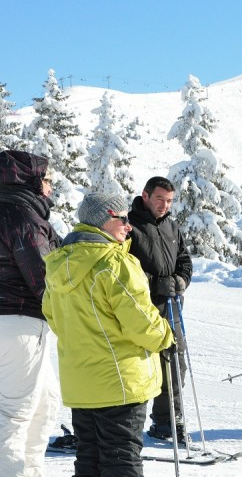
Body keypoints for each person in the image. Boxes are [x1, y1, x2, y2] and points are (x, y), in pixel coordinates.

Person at [42, 192, 174, 477]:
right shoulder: (113, 264)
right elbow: (142, 323)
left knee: (90, 457)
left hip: (82, 385)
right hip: (120, 384)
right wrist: (166, 336)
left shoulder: (58, 265)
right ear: (102, 221)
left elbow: (54, 317)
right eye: (122, 218)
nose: (129, 226)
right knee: (121, 460)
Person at [0, 150, 61, 477]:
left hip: (15, 325)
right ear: (33, 181)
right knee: (14, 415)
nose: (51, 188)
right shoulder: (22, 217)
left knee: (44, 404)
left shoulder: (16, 212)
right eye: (48, 180)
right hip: (18, 322)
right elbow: (44, 278)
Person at [127, 176, 193, 441]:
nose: (164, 205)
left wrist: (180, 280)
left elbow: (185, 261)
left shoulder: (172, 227)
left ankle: (168, 422)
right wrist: (158, 283)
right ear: (145, 196)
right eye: (159, 199)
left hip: (172, 307)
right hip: (142, 309)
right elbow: (126, 270)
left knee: (175, 365)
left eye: (169, 201)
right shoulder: (130, 226)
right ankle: (129, 424)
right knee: (140, 366)